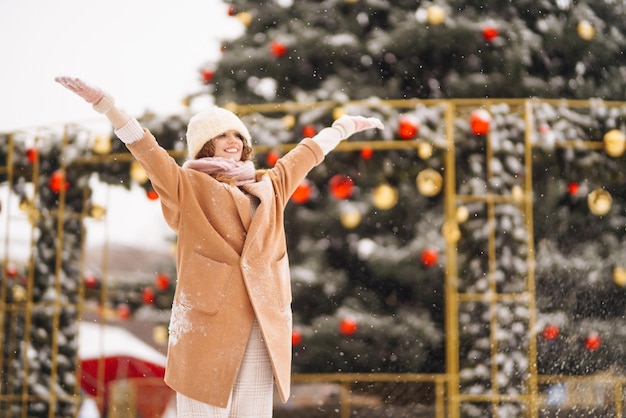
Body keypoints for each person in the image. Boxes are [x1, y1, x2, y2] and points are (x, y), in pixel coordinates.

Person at [55, 76, 383, 417]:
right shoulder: (186, 186)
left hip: (261, 319)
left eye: (238, 135)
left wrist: (341, 128)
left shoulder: (271, 184)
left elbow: (305, 155)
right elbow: (147, 150)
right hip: (206, 323)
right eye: (222, 135)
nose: (233, 141)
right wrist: (107, 106)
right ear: (205, 145)